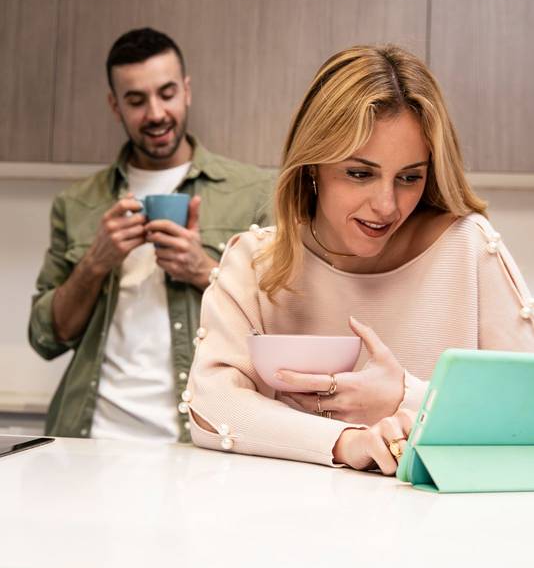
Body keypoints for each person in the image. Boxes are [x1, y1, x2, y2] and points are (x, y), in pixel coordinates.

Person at [186, 45, 534, 474]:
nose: (386, 206)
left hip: (441, 533)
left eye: (409, 178)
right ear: (312, 164)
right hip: (286, 527)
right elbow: (210, 405)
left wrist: (403, 396)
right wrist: (344, 443)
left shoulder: (467, 248)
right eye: (359, 173)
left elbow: (526, 407)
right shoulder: (253, 262)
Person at [30, 27, 273, 443]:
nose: (156, 113)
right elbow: (46, 338)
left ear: (187, 91)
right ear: (115, 106)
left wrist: (207, 272)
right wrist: (95, 262)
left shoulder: (253, 192)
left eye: (167, 93)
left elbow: (282, 328)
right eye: (136, 100)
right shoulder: (77, 203)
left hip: (203, 438)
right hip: (88, 438)